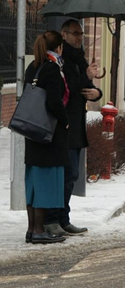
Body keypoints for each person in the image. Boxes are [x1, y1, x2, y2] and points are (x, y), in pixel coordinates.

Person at [43, 20, 102, 237]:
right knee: (65, 174)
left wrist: (97, 93)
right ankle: (55, 218)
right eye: (75, 34)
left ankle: (63, 218)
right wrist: (85, 76)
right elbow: (66, 90)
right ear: (63, 34)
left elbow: (87, 88)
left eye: (81, 34)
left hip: (76, 124)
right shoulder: (62, 61)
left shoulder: (80, 58)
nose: (79, 38)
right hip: (65, 124)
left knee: (72, 175)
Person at [24, 31, 70, 244]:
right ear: (59, 47)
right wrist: (65, 120)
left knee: (33, 183)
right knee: (44, 183)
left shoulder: (33, 67)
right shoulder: (52, 69)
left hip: (32, 130)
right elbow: (54, 102)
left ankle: (32, 229)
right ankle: (40, 230)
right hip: (48, 133)